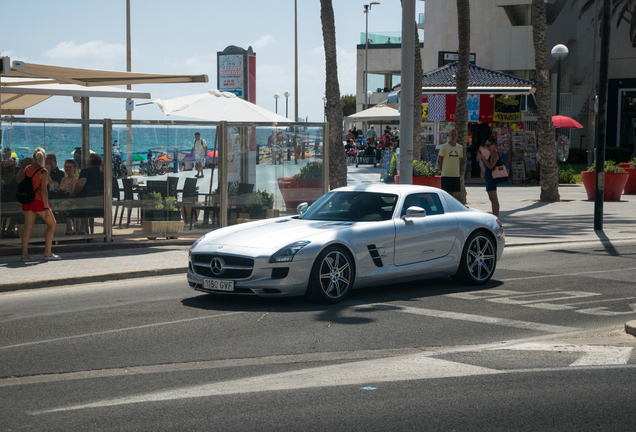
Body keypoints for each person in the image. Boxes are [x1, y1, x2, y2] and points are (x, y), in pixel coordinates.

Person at [20, 147, 60, 261]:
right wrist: (45, 207)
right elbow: (44, 191)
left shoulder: (26, 169)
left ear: (33, 157)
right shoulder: (43, 171)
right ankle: (47, 252)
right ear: (44, 158)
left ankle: (24, 254)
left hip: (27, 201)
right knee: (52, 224)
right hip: (38, 202)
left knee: (27, 228)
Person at [71, 153, 104, 235]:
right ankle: (83, 229)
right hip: (100, 204)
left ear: (89, 162)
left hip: (87, 203)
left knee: (72, 203)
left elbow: (80, 184)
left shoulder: (85, 172)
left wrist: (74, 192)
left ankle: (77, 229)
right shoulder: (102, 174)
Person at [477, 136, 500, 217]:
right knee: (491, 198)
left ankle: (496, 216)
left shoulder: (494, 154)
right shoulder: (491, 154)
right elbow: (485, 167)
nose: (487, 147)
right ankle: (495, 215)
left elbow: (490, 166)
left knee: (494, 199)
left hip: (492, 178)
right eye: (486, 145)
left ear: (493, 145)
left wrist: (484, 158)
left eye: (488, 145)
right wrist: (482, 159)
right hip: (489, 177)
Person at [437, 129, 463, 198]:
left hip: (455, 174)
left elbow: (459, 160)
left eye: (455, 134)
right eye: (452, 134)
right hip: (446, 174)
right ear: (449, 135)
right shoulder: (444, 147)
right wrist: (442, 170)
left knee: (452, 194)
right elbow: (439, 160)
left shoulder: (460, 147)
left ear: (457, 136)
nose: (453, 136)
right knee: (445, 194)